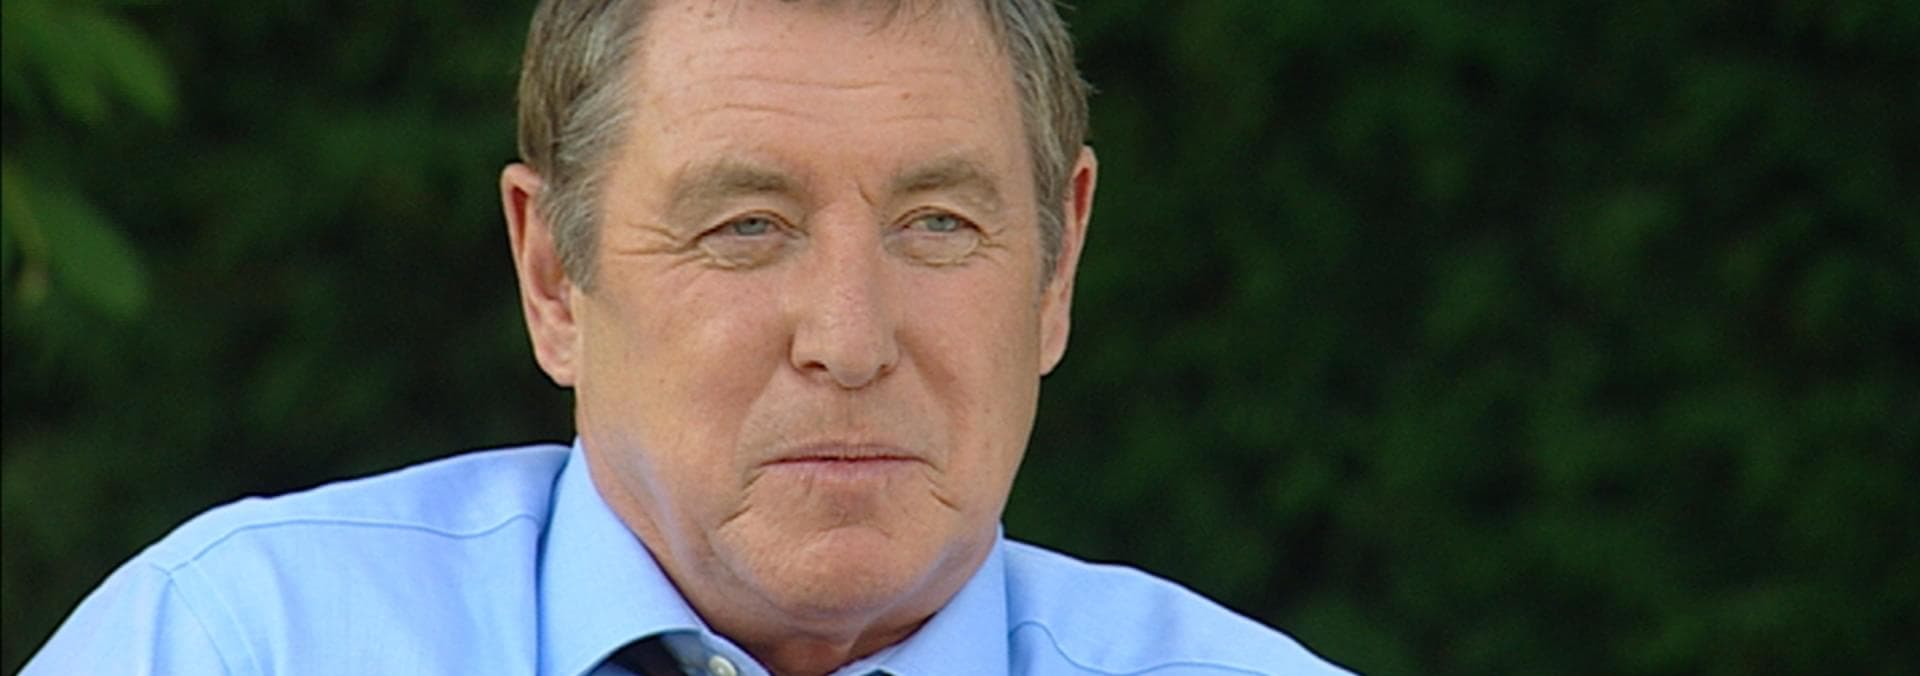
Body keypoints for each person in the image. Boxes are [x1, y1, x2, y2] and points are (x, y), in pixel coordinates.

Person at [25, 1, 1351, 674]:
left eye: (940, 224)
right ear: (554, 275)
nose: (850, 341)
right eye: (746, 227)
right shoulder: (240, 645)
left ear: (1057, 265)